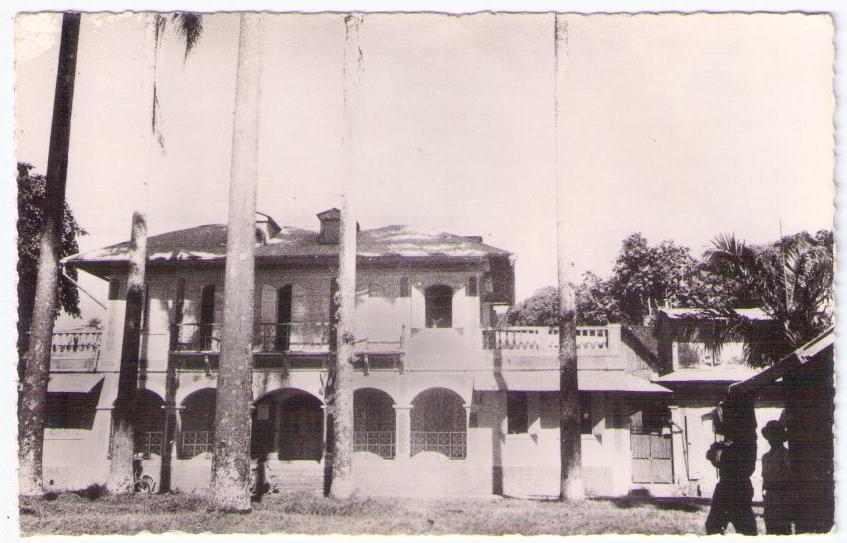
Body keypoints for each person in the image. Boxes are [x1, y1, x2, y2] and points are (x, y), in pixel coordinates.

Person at [705, 396, 758, 535]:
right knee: (713, 526)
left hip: (738, 488)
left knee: (746, 530)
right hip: (726, 487)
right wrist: (719, 452)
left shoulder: (747, 442)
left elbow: (742, 464)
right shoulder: (729, 442)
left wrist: (721, 453)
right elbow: (711, 455)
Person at [761, 420, 792, 534]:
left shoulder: (786, 455)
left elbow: (789, 478)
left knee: (783, 532)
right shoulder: (765, 457)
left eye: (774, 436)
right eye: (770, 436)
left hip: (782, 500)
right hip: (770, 502)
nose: (771, 439)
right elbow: (764, 480)